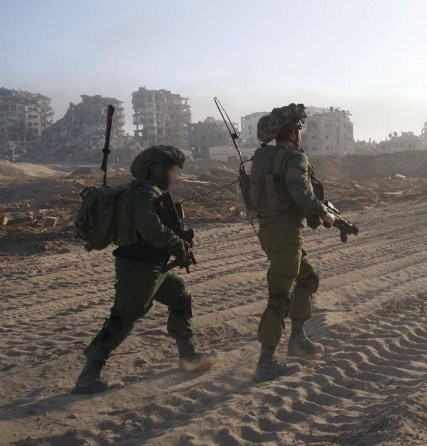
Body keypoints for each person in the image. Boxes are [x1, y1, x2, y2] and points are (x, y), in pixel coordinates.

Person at [74, 146, 217, 394]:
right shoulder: (144, 193)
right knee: (124, 317)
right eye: (170, 169)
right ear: (155, 169)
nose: (173, 174)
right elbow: (148, 226)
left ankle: (188, 355)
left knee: (181, 296)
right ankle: (89, 375)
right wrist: (177, 243)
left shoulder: (145, 191)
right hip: (138, 267)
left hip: (154, 265)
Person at [249, 104, 338, 382]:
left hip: (269, 229)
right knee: (280, 294)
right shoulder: (294, 158)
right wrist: (324, 214)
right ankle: (266, 361)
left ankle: (298, 339)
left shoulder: (262, 157)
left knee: (308, 278)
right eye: (300, 129)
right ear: (294, 133)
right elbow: (299, 191)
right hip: (287, 232)